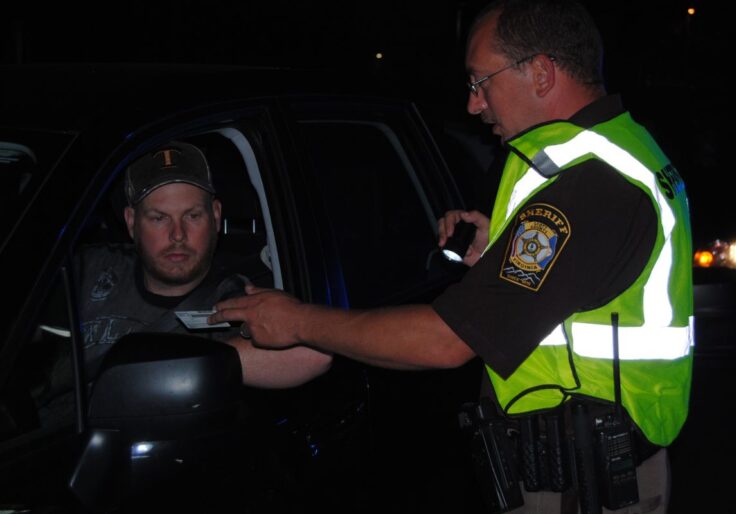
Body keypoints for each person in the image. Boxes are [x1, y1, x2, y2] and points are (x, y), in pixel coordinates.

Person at [210, 1, 693, 512]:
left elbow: (448, 342)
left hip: (586, 490)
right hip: (584, 469)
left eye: (480, 81)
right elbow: (589, 284)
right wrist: (501, 249)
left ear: (543, 73)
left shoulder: (589, 184)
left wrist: (297, 321)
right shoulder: (615, 147)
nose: (473, 104)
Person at [77, 140, 331, 387]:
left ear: (216, 217)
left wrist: (173, 369)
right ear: (132, 222)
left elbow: (312, 354)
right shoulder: (93, 268)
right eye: (159, 218)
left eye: (193, 215)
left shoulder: (234, 301)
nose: (178, 234)